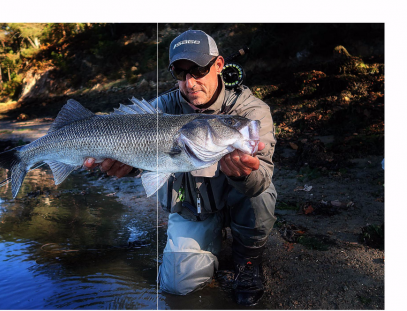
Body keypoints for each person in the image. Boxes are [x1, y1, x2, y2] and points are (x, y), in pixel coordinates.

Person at [84, 29, 277, 306]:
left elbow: (261, 179)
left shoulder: (250, 113)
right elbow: (146, 159)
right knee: (176, 285)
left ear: (219, 65)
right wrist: (129, 167)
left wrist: (245, 174)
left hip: (237, 201)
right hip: (194, 207)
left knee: (259, 190)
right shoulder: (160, 110)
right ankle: (208, 237)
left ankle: (248, 259)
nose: (190, 82)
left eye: (198, 70)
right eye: (181, 73)